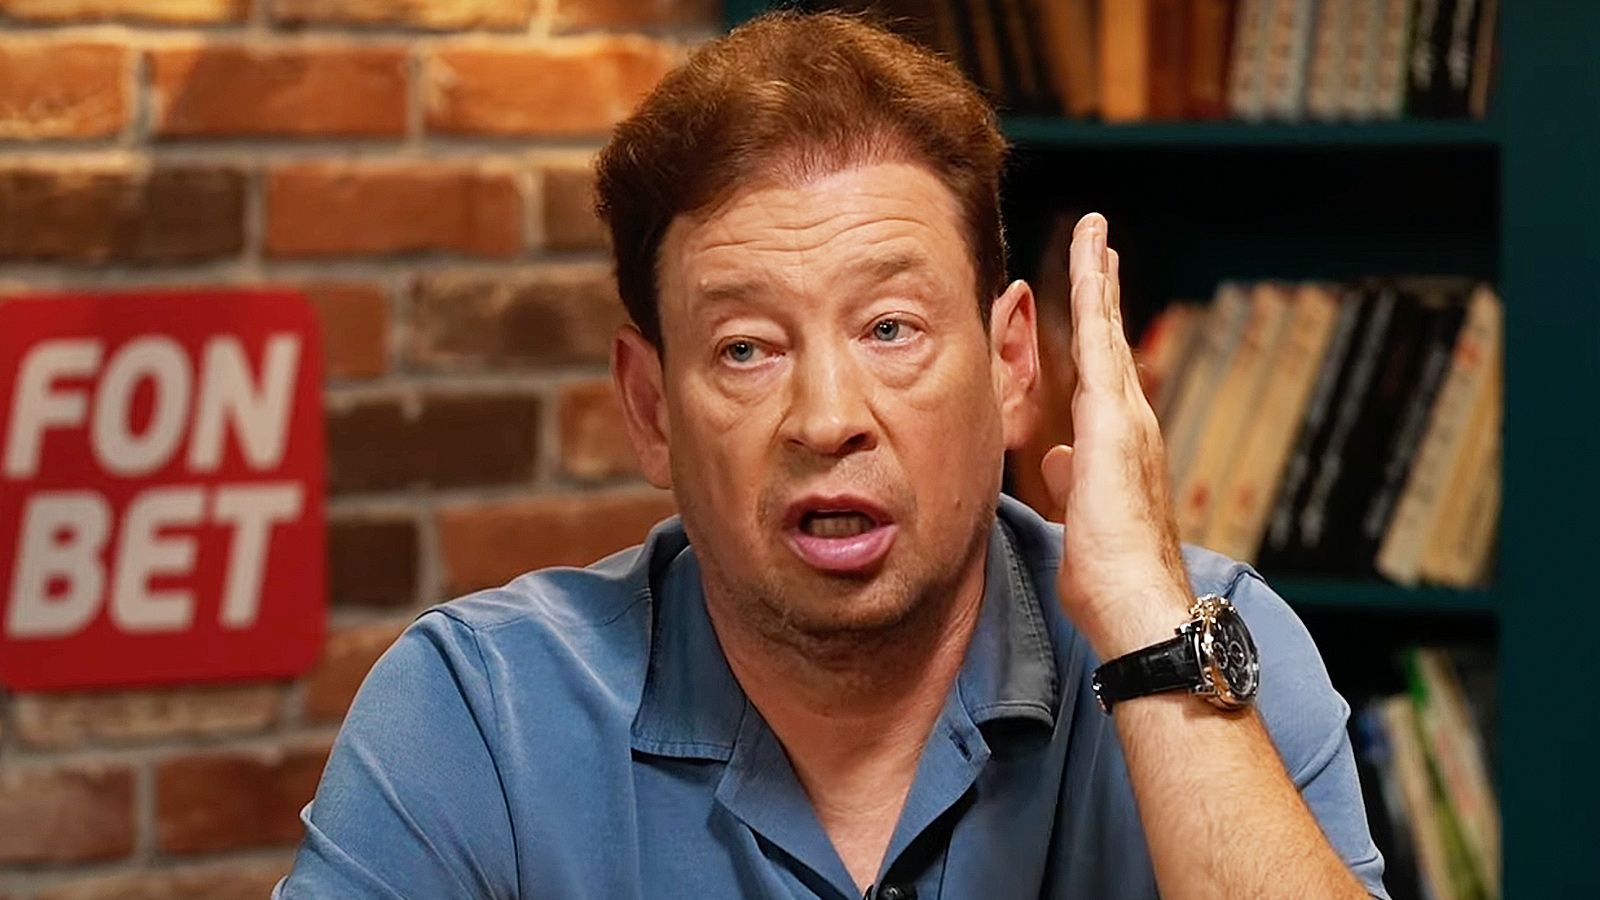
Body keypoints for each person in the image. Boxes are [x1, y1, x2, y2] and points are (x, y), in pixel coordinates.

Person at [276, 12, 1386, 899]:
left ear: (1011, 362)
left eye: (890, 329)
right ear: (652, 409)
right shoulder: (483, 712)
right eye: (746, 349)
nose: (826, 417)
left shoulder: (1207, 643)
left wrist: (1146, 622)